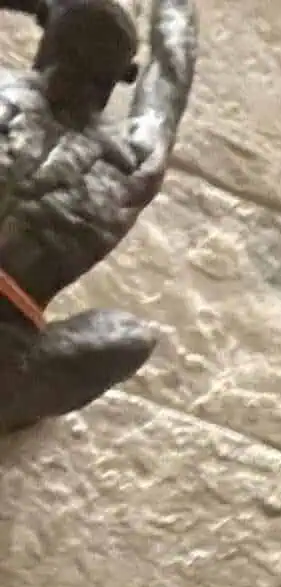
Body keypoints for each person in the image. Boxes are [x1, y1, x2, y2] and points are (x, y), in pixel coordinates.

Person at [0, 0, 196, 435]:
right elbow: (172, 66)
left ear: (48, 34)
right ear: (125, 75)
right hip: (6, 350)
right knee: (129, 337)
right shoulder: (132, 158)